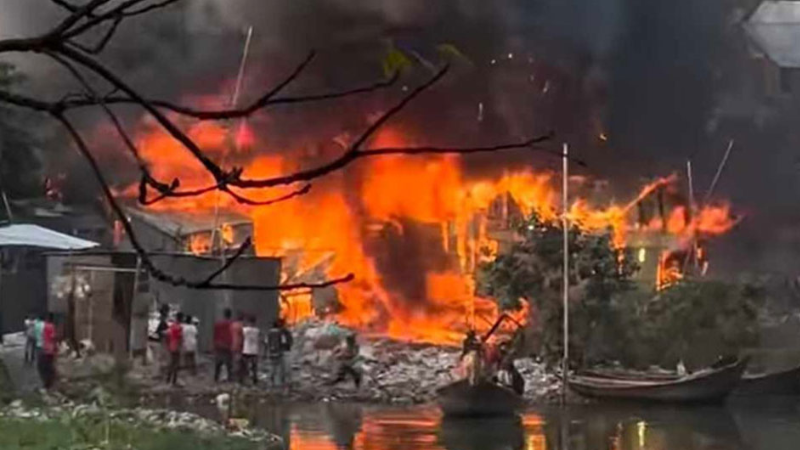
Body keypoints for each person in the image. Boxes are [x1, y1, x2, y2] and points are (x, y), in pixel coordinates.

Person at [266, 318, 293, 389]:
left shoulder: (269, 333)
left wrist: (268, 351)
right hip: (281, 352)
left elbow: (266, 342)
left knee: (272, 367)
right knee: (281, 368)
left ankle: (271, 383)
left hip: (272, 352)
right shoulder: (282, 333)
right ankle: (281, 384)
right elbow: (284, 342)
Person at [37, 313, 57, 389]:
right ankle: (50, 382)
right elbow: (53, 337)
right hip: (50, 349)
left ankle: (46, 381)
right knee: (49, 366)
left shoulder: (44, 326)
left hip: (43, 348)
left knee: (43, 366)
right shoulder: (51, 327)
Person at [214, 309, 234, 382]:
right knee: (229, 363)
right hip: (228, 345)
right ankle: (230, 378)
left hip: (219, 344)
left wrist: (215, 344)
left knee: (218, 363)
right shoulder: (232, 324)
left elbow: (215, 334)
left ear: (224, 314)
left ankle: (216, 377)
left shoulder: (218, 323)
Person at [240, 316, 260, 385]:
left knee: (245, 366)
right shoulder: (257, 331)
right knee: (254, 366)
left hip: (246, 350)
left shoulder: (245, 330)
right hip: (254, 351)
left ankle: (244, 379)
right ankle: (255, 379)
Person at [165, 312, 184, 386]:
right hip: (177, 347)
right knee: (176, 364)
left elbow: (168, 335)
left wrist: (168, 345)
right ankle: (174, 380)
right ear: (181, 318)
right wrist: (180, 347)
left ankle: (168, 378)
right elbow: (180, 338)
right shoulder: (179, 327)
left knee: (171, 363)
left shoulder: (172, 326)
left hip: (171, 345)